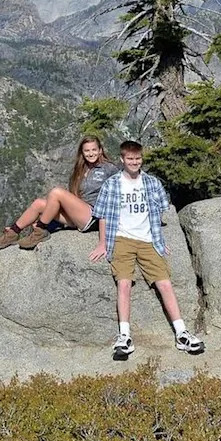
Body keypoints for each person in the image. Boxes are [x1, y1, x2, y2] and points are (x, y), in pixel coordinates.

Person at [88, 140, 205, 359]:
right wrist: (103, 242)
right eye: (130, 159)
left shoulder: (151, 183)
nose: (134, 162)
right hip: (121, 238)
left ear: (142, 159)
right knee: (123, 283)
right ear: (122, 160)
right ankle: (124, 336)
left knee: (164, 282)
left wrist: (160, 239)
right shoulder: (113, 184)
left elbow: (161, 209)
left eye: (138, 159)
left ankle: (182, 333)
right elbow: (102, 215)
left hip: (148, 240)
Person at [0, 136, 118, 251]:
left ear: (100, 150)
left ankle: (39, 231)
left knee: (56, 192)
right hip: (78, 214)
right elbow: (76, 196)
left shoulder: (108, 168)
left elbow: (121, 191)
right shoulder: (81, 169)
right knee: (38, 203)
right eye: (87, 151)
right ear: (82, 153)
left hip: (94, 216)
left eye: (94, 150)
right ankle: (12, 233)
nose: (91, 154)